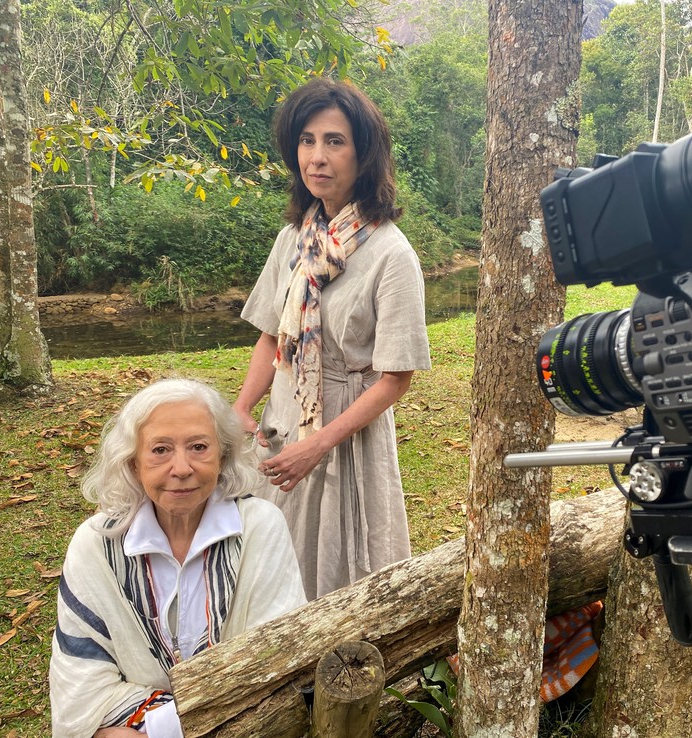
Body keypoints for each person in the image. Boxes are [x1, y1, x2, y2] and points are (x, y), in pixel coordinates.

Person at [234, 77, 431, 601]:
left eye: (334, 141)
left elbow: (395, 379)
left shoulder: (391, 255)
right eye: (307, 141)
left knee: (343, 564)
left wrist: (317, 444)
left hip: (344, 429)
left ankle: (343, 668)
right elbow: (270, 337)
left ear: (364, 155)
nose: (317, 157)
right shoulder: (294, 239)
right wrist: (241, 407)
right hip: (283, 414)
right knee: (270, 552)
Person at [50, 378, 307, 737]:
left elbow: (278, 661)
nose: (182, 468)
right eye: (160, 450)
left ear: (223, 454)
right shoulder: (95, 545)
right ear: (133, 463)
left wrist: (157, 729)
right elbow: (81, 691)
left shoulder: (260, 527)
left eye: (199, 446)